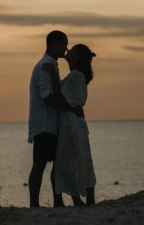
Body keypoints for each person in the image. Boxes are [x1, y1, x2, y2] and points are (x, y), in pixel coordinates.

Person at [28, 31, 84, 208]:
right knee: (39, 165)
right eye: (64, 44)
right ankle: (34, 205)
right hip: (45, 124)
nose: (66, 48)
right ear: (54, 44)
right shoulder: (46, 65)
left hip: (50, 124)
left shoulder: (51, 65)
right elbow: (48, 98)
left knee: (55, 165)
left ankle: (57, 202)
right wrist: (71, 109)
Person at [41, 44, 97, 206]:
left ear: (76, 57)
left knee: (66, 161)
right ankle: (83, 199)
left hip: (69, 125)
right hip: (74, 123)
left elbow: (59, 95)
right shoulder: (77, 76)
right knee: (80, 159)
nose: (67, 50)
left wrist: (52, 74)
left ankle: (78, 199)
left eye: (71, 50)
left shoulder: (75, 76)